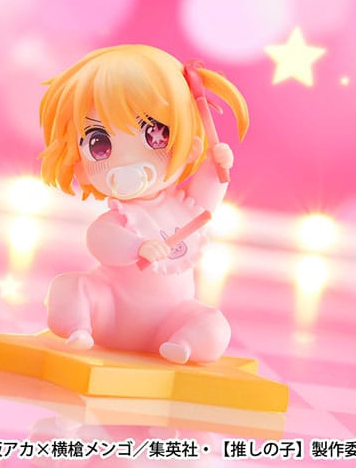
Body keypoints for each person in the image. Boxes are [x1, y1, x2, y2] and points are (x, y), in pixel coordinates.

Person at [38, 45, 249, 364]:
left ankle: (183, 344)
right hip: (109, 313)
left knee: (214, 326)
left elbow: (205, 207)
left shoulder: (180, 208)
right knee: (69, 288)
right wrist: (137, 247)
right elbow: (100, 240)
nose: (127, 161)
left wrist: (215, 168)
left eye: (155, 135)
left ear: (190, 147)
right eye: (99, 144)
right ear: (80, 165)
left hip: (170, 319)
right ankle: (79, 327)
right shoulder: (119, 217)